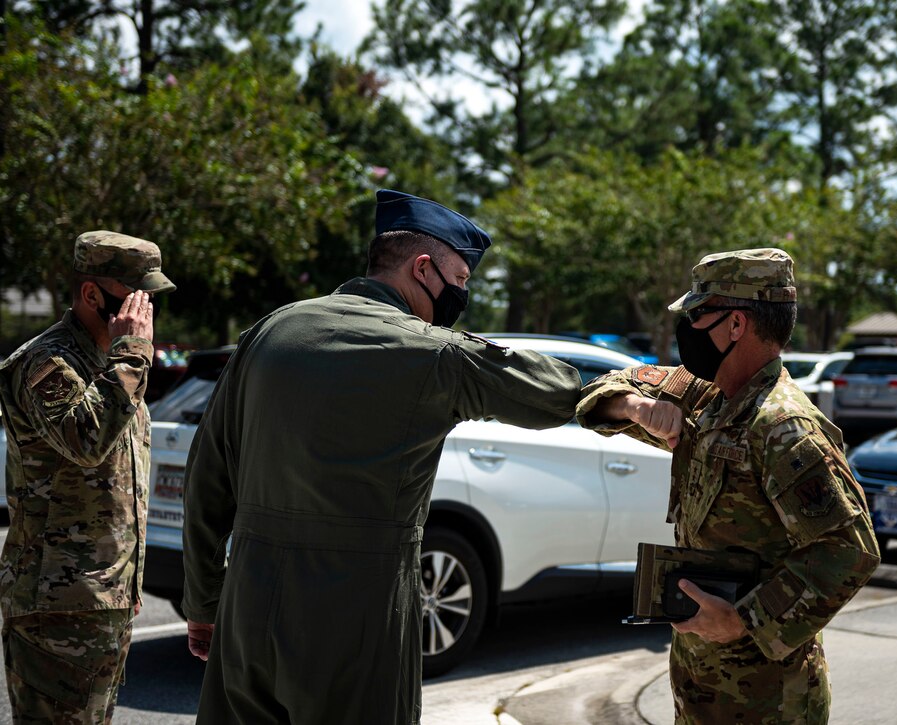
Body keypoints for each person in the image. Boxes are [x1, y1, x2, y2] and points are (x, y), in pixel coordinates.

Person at [181, 189, 582, 724]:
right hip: (354, 615)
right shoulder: (431, 352)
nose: (462, 295)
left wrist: (205, 605)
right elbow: (558, 391)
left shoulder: (270, 331)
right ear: (423, 268)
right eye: (460, 280)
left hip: (247, 611)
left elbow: (207, 478)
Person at [576, 248, 880, 724]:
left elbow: (849, 550)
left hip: (766, 699)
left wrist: (742, 620)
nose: (687, 330)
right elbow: (605, 385)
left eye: (698, 315)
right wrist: (634, 408)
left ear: (735, 325)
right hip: (703, 685)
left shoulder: (783, 426)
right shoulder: (709, 393)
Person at [0, 231, 175, 723]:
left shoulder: (107, 363)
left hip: (101, 599)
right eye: (133, 299)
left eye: (150, 301)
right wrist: (133, 354)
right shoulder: (46, 361)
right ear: (92, 295)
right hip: (57, 603)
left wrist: (126, 586)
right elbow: (86, 441)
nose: (144, 315)